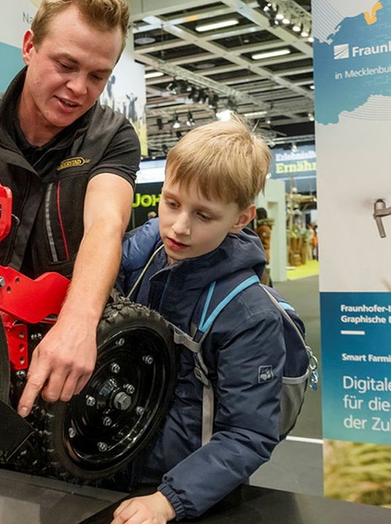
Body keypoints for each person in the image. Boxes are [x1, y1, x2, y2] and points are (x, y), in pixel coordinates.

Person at [0, 0, 140, 417]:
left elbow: (106, 224)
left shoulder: (113, 137)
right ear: (30, 46)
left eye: (97, 76)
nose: (78, 88)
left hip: (66, 356)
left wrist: (78, 324)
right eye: (66, 65)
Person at [112, 118, 284, 523]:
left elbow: (249, 434)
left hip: (182, 491)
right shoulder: (141, 251)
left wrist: (167, 500)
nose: (179, 226)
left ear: (241, 218)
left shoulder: (250, 315)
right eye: (171, 203)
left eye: (204, 216)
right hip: (110, 463)